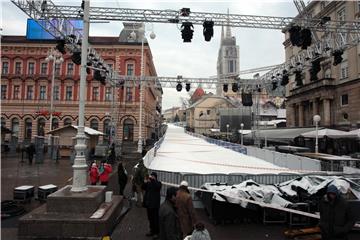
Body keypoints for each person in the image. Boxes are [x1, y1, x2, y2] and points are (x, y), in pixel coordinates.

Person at [142, 171, 162, 239]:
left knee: (155, 219)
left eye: (153, 176)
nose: (151, 177)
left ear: (155, 177)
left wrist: (153, 180)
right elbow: (143, 187)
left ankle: (156, 232)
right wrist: (144, 182)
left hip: (155, 205)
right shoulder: (149, 183)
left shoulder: (158, 183)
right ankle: (152, 231)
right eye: (151, 176)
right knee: (150, 218)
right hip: (148, 205)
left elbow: (157, 187)